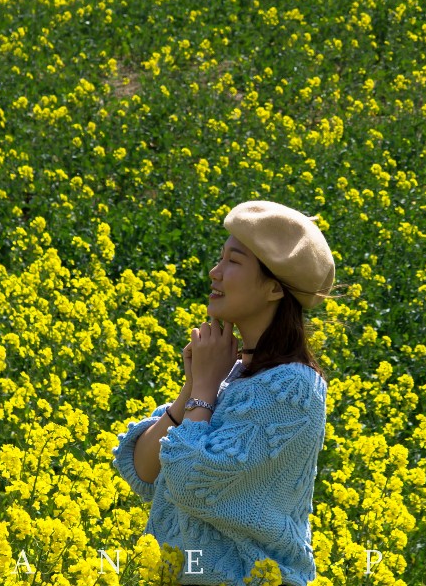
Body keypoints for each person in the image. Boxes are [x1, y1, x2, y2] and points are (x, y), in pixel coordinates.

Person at [111, 199, 343, 585]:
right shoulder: (231, 374)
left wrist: (203, 389)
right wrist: (195, 384)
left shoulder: (293, 389)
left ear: (273, 288)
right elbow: (142, 469)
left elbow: (194, 486)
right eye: (220, 259)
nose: (215, 273)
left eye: (233, 262)